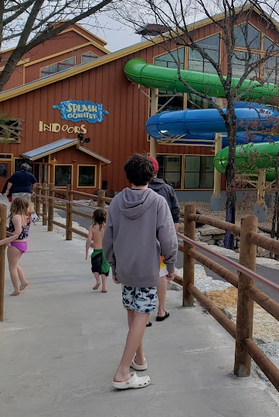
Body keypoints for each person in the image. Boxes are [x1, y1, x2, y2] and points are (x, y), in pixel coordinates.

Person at [103, 154, 177, 390]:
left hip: (124, 267)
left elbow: (108, 237)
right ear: (151, 176)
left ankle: (139, 359)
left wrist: (113, 264)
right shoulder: (157, 202)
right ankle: (122, 372)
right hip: (147, 268)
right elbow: (168, 237)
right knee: (142, 314)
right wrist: (172, 266)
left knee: (133, 312)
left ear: (128, 176)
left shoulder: (116, 201)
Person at [147, 156, 180, 325]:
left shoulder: (137, 190)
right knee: (161, 274)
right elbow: (175, 213)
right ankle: (161, 309)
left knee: (143, 273)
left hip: (142, 240)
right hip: (162, 239)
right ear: (157, 170)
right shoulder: (167, 189)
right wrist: (172, 235)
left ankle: (143, 313)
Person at [6, 197, 31, 296]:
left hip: (16, 243)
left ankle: (16, 289)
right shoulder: (26, 216)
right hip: (23, 243)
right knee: (15, 264)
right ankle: (23, 281)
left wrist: (5, 234)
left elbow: (17, 232)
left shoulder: (16, 217)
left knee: (12, 267)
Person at [85, 208, 109, 293]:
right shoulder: (106, 226)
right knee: (105, 269)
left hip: (97, 251)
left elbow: (88, 241)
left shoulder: (92, 228)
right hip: (106, 250)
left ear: (94, 217)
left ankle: (98, 281)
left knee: (95, 268)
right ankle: (104, 287)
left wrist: (87, 251)